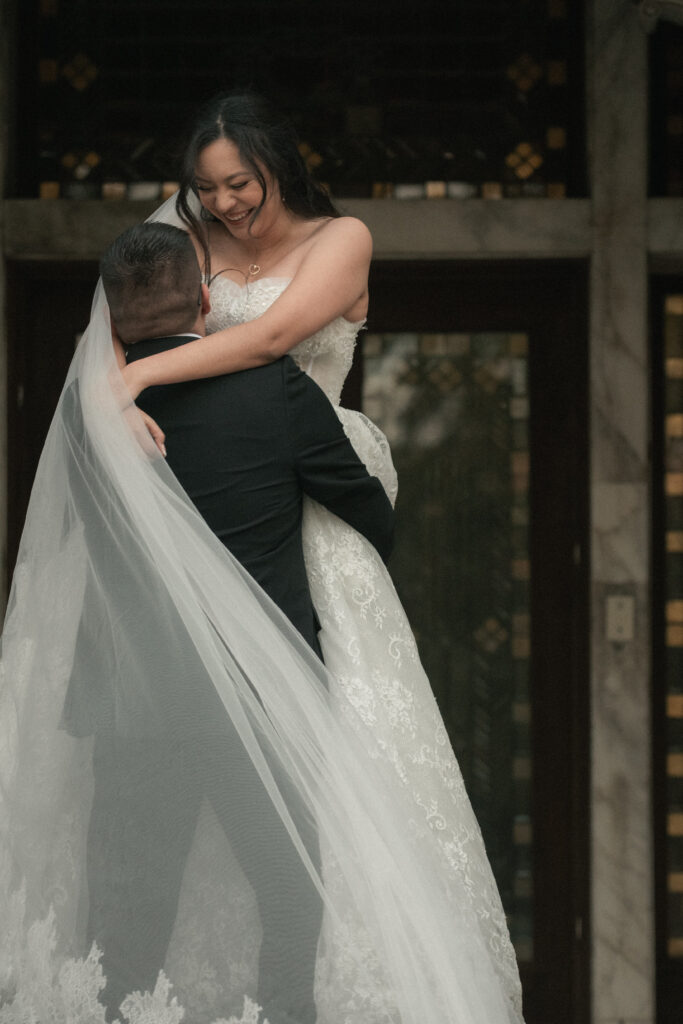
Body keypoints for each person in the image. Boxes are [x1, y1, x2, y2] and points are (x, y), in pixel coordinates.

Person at [0, 93, 524, 1024]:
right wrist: (110, 397)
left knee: (308, 797)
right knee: (247, 838)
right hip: (214, 528)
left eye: (239, 182)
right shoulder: (185, 243)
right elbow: (134, 307)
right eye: (204, 188)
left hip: (297, 526)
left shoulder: (341, 238)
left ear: (277, 164)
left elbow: (276, 338)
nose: (224, 203)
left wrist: (138, 377)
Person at [65, 220, 395, 1023]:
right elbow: (367, 512)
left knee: (129, 922)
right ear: (208, 299)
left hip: (135, 700)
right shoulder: (274, 390)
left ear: (108, 322)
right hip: (255, 696)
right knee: (289, 895)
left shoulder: (88, 415)